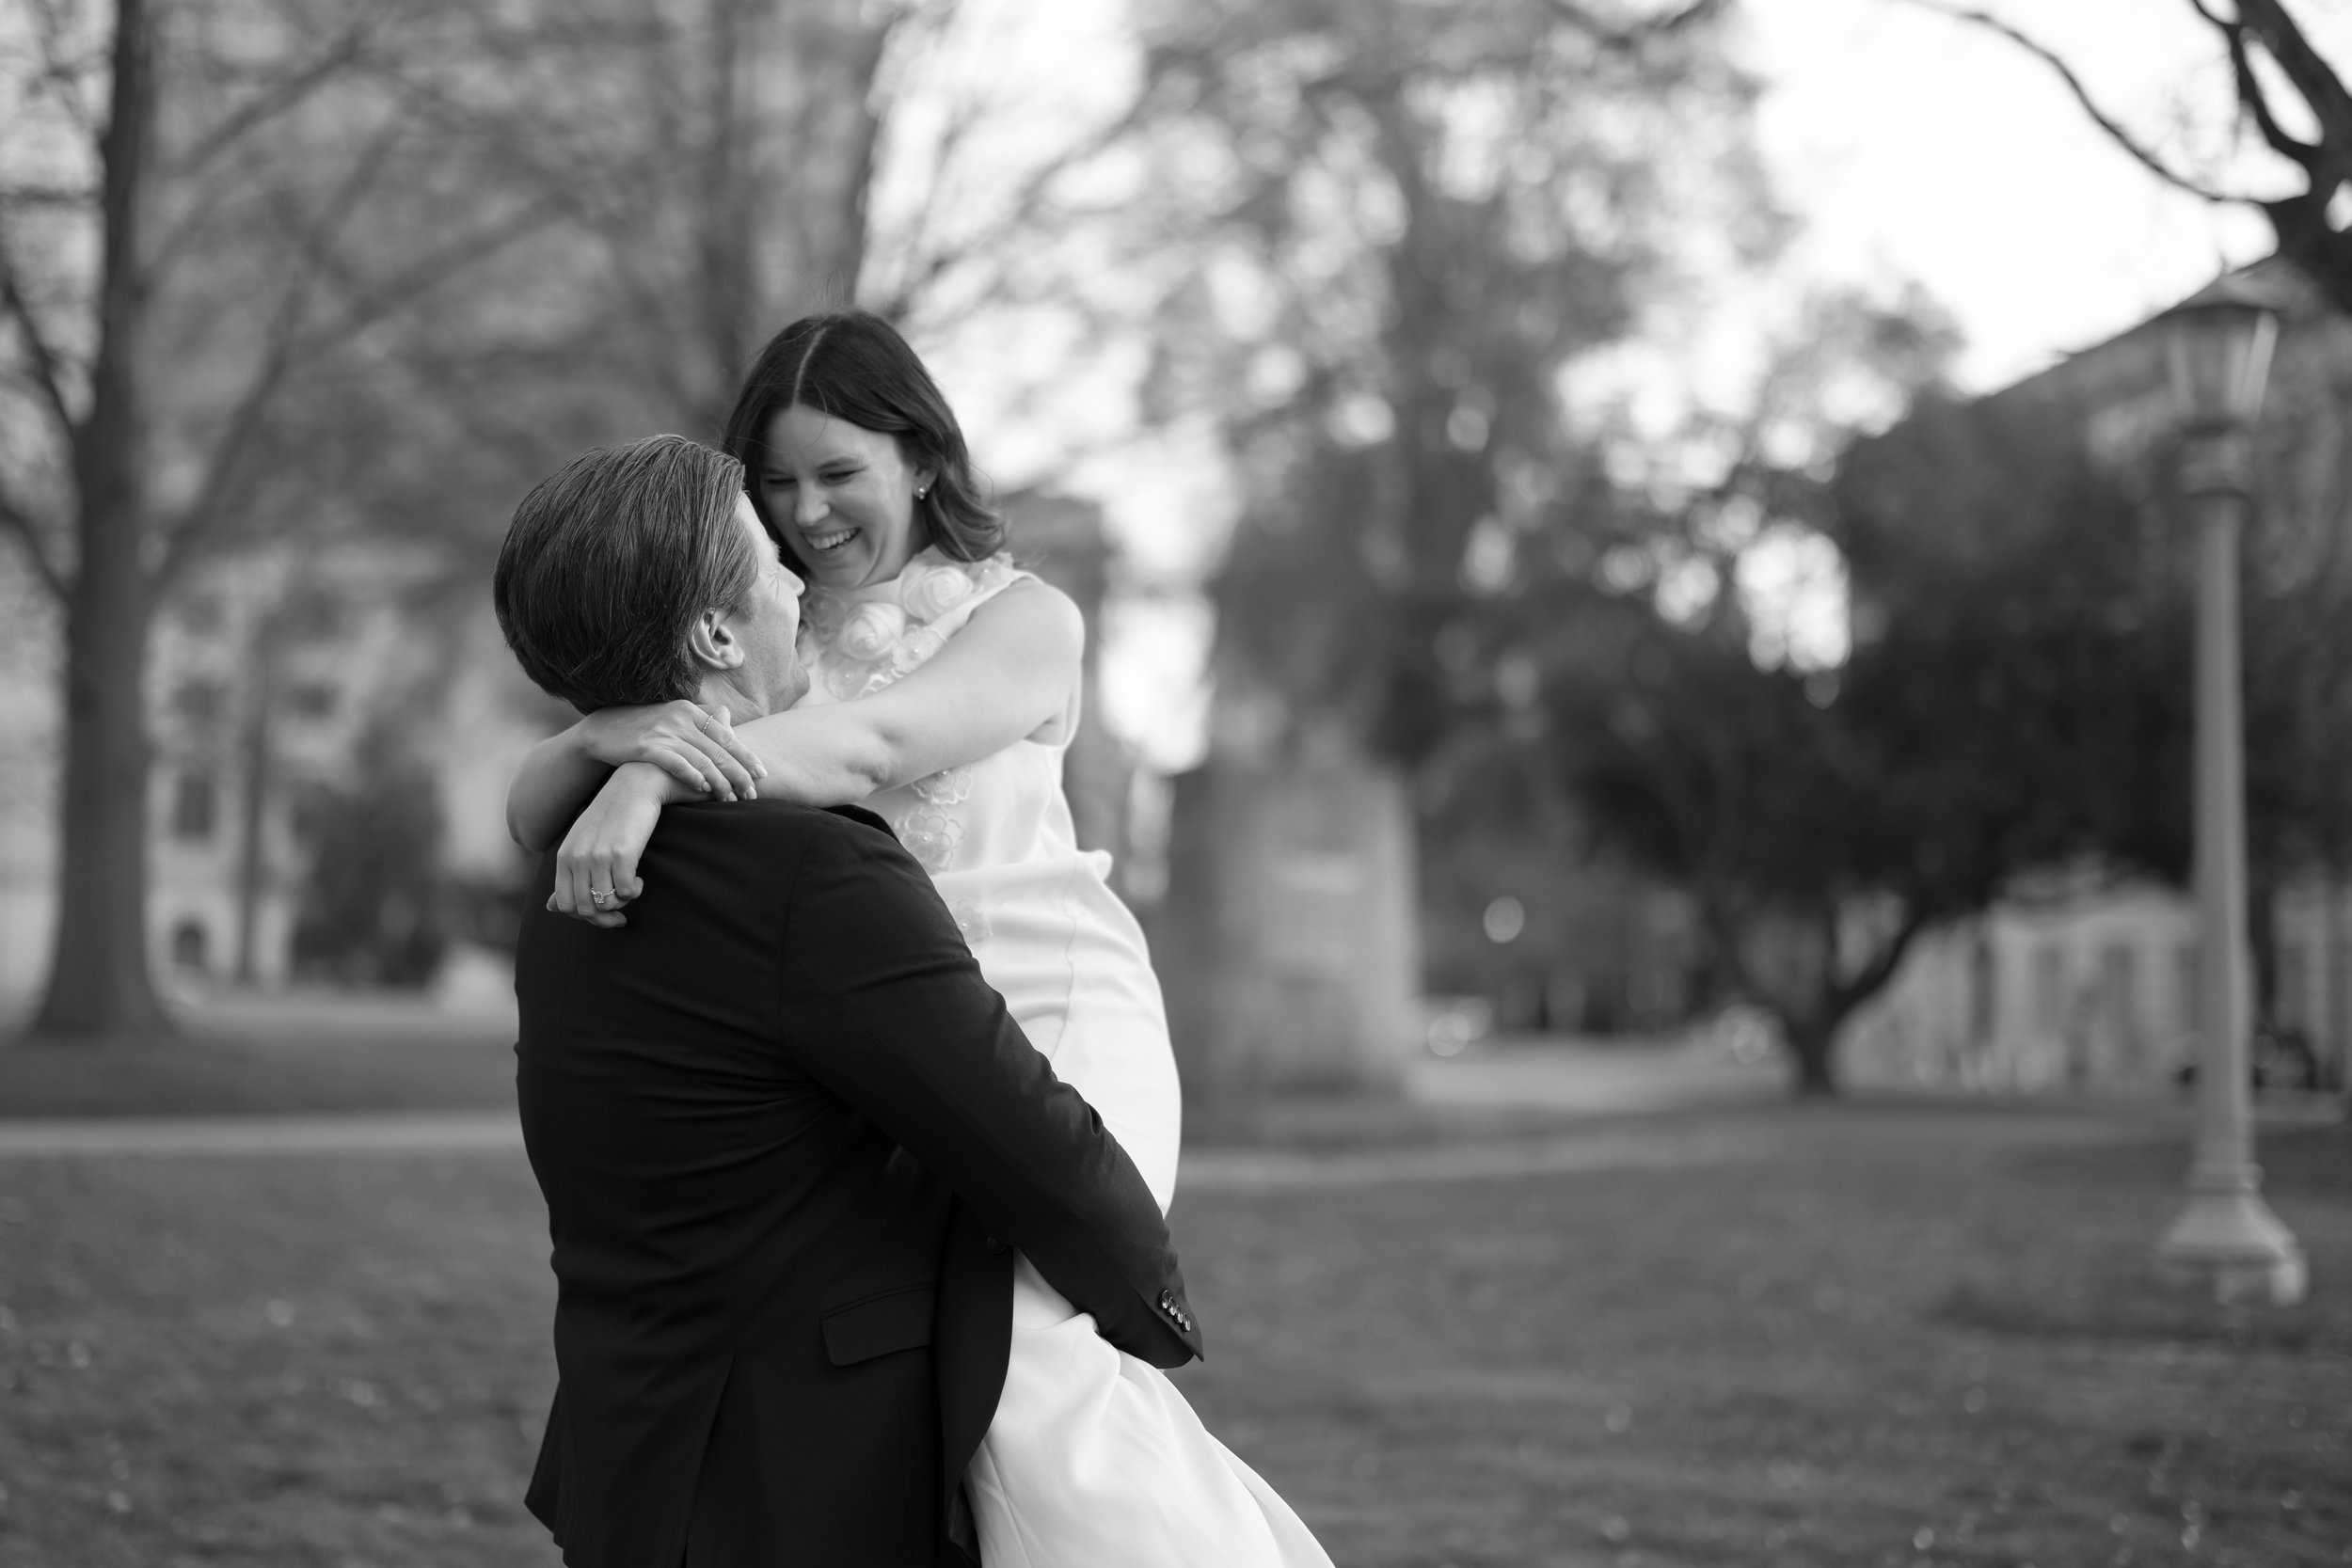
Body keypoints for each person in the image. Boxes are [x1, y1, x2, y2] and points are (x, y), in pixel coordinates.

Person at [506, 313, 1334, 1568]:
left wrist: (651, 778)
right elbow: (527, 817)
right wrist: (605, 742)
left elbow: (877, 749)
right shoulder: (760, 626)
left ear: (925, 461)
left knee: (1023, 1361)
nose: (807, 515)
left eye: (839, 474)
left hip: (1047, 997)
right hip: (874, 1029)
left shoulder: (1025, 619)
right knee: (926, 1357)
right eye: (776, 485)